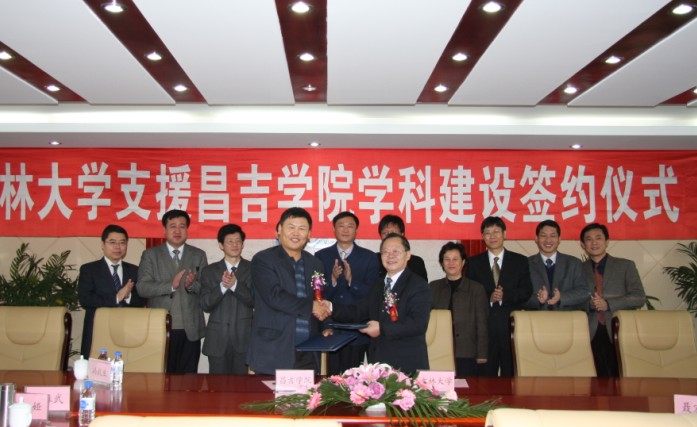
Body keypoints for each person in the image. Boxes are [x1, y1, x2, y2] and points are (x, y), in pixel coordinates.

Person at [330, 233, 432, 374]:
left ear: (408, 255)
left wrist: (382, 328)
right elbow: (358, 311)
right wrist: (330, 307)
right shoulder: (378, 284)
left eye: (395, 251)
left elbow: (418, 324)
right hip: (378, 366)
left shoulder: (419, 285)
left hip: (406, 366)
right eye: (385, 252)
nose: (390, 256)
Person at [247, 207, 330, 375]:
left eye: (302, 228)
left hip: (308, 351)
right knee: (268, 393)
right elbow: (274, 296)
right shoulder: (263, 259)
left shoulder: (316, 264)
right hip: (273, 350)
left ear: (309, 234)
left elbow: (320, 297)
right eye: (291, 227)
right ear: (279, 229)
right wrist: (311, 307)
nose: (296, 233)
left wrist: (326, 325)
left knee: (307, 393)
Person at [138, 209, 208, 373]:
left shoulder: (198, 255)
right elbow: (142, 288)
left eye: (182, 226)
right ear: (164, 230)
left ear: (187, 230)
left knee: (188, 379)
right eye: (173, 226)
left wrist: (192, 285)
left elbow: (205, 290)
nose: (177, 231)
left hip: (190, 327)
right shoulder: (150, 255)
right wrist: (171, 285)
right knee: (162, 378)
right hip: (162, 326)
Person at [465, 216, 532, 376]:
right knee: (485, 377)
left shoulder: (520, 261)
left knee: (511, 375)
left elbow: (526, 290)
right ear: (483, 236)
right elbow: (469, 294)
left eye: (496, 232)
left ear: (504, 234)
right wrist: (489, 298)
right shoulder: (473, 263)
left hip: (511, 328)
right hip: (485, 329)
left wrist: (505, 296)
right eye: (488, 233)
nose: (492, 236)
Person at [315, 211, 379, 374]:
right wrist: (333, 280)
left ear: (356, 230)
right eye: (341, 226)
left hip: (359, 329)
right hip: (331, 327)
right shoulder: (321, 256)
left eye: (350, 226)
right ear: (334, 229)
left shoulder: (370, 257)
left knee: (356, 379)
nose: (345, 230)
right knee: (333, 378)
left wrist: (351, 281)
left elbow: (373, 294)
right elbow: (318, 293)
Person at [580, 222, 646, 377]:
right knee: (593, 380)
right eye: (589, 239)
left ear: (607, 241)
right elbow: (574, 298)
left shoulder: (626, 266)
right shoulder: (578, 268)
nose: (594, 242)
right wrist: (589, 304)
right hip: (589, 331)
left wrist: (609, 304)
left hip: (620, 328)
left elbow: (639, 297)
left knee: (622, 378)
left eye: (598, 238)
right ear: (583, 245)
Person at [78, 224, 146, 358]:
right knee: (96, 368)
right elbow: (85, 300)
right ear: (103, 245)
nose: (117, 247)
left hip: (127, 331)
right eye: (112, 242)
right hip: (98, 330)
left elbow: (142, 299)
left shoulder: (134, 270)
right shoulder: (89, 270)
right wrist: (116, 298)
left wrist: (127, 296)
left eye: (122, 243)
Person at [199, 224, 254, 374]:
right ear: (221, 245)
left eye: (238, 241)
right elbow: (205, 304)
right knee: (217, 386)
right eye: (230, 241)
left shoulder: (253, 269)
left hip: (244, 338)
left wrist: (235, 285)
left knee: (242, 386)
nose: (235, 245)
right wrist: (222, 287)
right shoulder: (209, 271)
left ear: (243, 244)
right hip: (217, 339)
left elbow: (255, 300)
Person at [430, 241, 488, 377]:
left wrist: (482, 353)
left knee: (467, 388)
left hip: (467, 351)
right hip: (439, 350)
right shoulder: (433, 287)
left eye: (455, 259)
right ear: (442, 263)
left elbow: (482, 323)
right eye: (447, 259)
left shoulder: (477, 289)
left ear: (463, 262)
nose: (451, 263)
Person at [524, 220, 589, 311]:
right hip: (536, 317)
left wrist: (561, 297)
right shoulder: (526, 264)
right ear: (536, 239)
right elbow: (521, 296)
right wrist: (538, 299)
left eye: (553, 236)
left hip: (567, 317)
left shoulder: (574, 263)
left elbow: (584, 292)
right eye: (543, 236)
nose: (548, 240)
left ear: (559, 239)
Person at [377, 214, 428, 281]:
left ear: (402, 234)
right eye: (385, 233)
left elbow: (421, 284)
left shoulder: (416, 262)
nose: (390, 235)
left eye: (393, 232)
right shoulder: (373, 260)